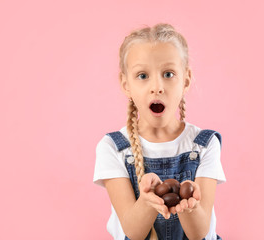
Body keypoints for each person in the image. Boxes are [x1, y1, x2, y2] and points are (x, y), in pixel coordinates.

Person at [93, 23, 226, 240]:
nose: (157, 86)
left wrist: (189, 207)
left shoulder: (203, 144)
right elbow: (133, 232)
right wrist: (147, 202)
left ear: (186, 80)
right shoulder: (113, 148)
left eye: (168, 73)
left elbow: (199, 233)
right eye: (143, 76)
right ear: (126, 84)